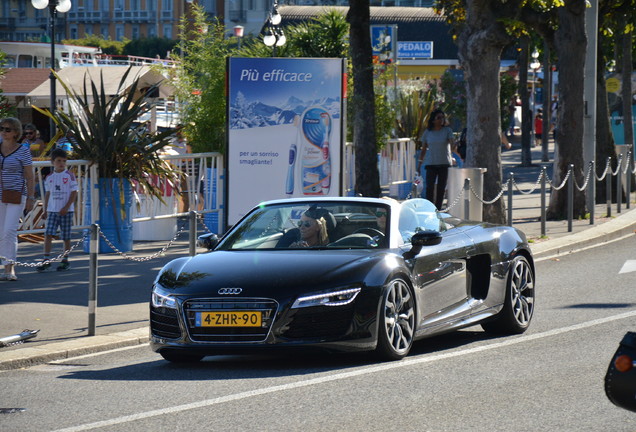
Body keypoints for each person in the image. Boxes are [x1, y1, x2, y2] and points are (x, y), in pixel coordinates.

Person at [0, 117, 35, 281]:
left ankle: (10, 267)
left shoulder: (23, 150)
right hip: (0, 194)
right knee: (1, 232)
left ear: (15, 132)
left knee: (9, 230)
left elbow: (29, 176)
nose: (4, 132)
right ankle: (5, 264)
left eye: (8, 129)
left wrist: (30, 197)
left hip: (16, 194)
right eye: (2, 128)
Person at [36, 149, 78, 272]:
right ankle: (46, 259)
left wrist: (66, 207)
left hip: (66, 211)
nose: (61, 163)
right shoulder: (49, 177)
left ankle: (65, 259)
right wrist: (45, 209)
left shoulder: (69, 175)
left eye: (64, 161)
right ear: (53, 162)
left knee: (65, 236)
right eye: (59, 161)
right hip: (53, 210)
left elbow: (74, 192)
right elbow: (48, 193)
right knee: (48, 234)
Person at [417, 109, 457, 210]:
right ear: (433, 120)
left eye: (443, 117)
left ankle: (438, 209)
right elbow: (424, 149)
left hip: (444, 163)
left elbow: (452, 144)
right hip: (431, 163)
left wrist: (453, 146)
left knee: (441, 188)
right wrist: (419, 164)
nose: (441, 119)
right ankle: (430, 208)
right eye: (439, 118)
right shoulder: (427, 132)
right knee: (429, 187)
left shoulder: (447, 131)